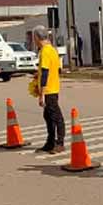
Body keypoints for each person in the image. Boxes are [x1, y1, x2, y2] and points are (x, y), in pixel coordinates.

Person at [33, 26, 65, 154]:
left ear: (36, 37)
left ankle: (59, 143)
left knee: (56, 117)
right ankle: (50, 142)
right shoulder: (53, 50)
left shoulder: (45, 51)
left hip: (49, 90)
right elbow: (57, 70)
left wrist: (42, 94)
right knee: (48, 116)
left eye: (34, 37)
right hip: (54, 87)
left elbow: (45, 73)